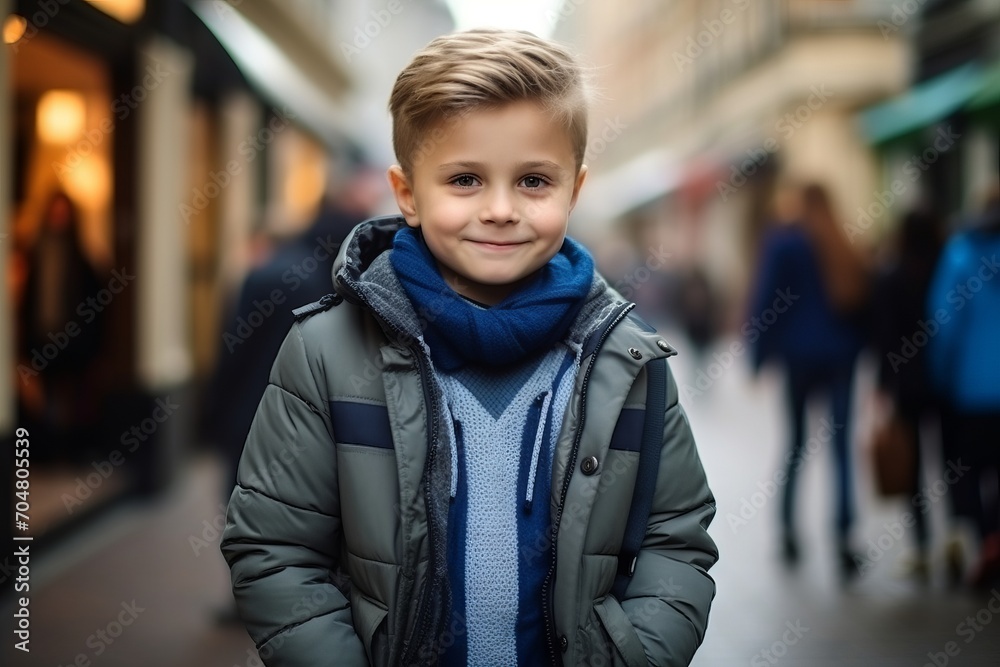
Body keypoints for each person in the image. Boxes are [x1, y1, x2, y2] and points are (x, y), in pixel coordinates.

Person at [221, 29, 718, 666]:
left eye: (534, 180)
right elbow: (276, 549)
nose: (501, 209)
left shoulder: (629, 362)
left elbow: (673, 542)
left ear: (576, 188)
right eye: (464, 180)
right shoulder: (326, 353)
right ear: (408, 194)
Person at [748, 182, 869, 578]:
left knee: (796, 444)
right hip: (840, 356)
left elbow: (766, 298)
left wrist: (758, 356)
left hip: (798, 357)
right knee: (840, 447)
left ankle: (787, 532)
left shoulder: (785, 242)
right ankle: (845, 536)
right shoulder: (841, 238)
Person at [926, 188, 1000, 588]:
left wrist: (941, 376)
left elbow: (943, 323)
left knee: (968, 472)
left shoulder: (960, 252)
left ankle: (984, 541)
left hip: (970, 391)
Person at [870, 207, 944, 580]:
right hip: (947, 381)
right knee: (952, 460)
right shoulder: (945, 268)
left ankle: (922, 544)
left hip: (907, 384)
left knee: (912, 466)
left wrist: (882, 386)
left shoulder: (891, 275)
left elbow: (884, 338)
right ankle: (960, 536)